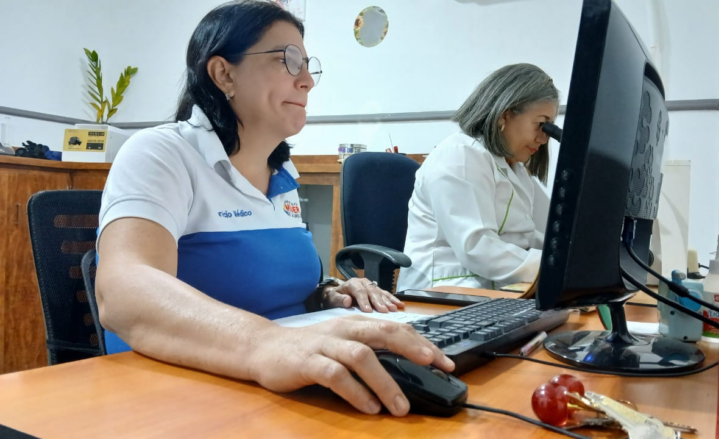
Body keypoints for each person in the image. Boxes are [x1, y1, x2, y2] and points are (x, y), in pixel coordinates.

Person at [96, 0, 453, 418]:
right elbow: (121, 291)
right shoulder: (162, 153)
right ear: (224, 73)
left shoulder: (281, 173)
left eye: (308, 66)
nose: (307, 81)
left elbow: (270, 288)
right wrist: (266, 343)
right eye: (288, 60)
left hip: (278, 387)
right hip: (176, 397)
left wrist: (327, 294)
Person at [397, 64, 558, 291]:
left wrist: (566, 254)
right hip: (441, 290)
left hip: (488, 286)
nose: (543, 139)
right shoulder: (459, 156)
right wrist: (558, 268)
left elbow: (523, 236)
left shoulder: (514, 168)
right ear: (505, 114)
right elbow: (477, 248)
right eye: (541, 124)